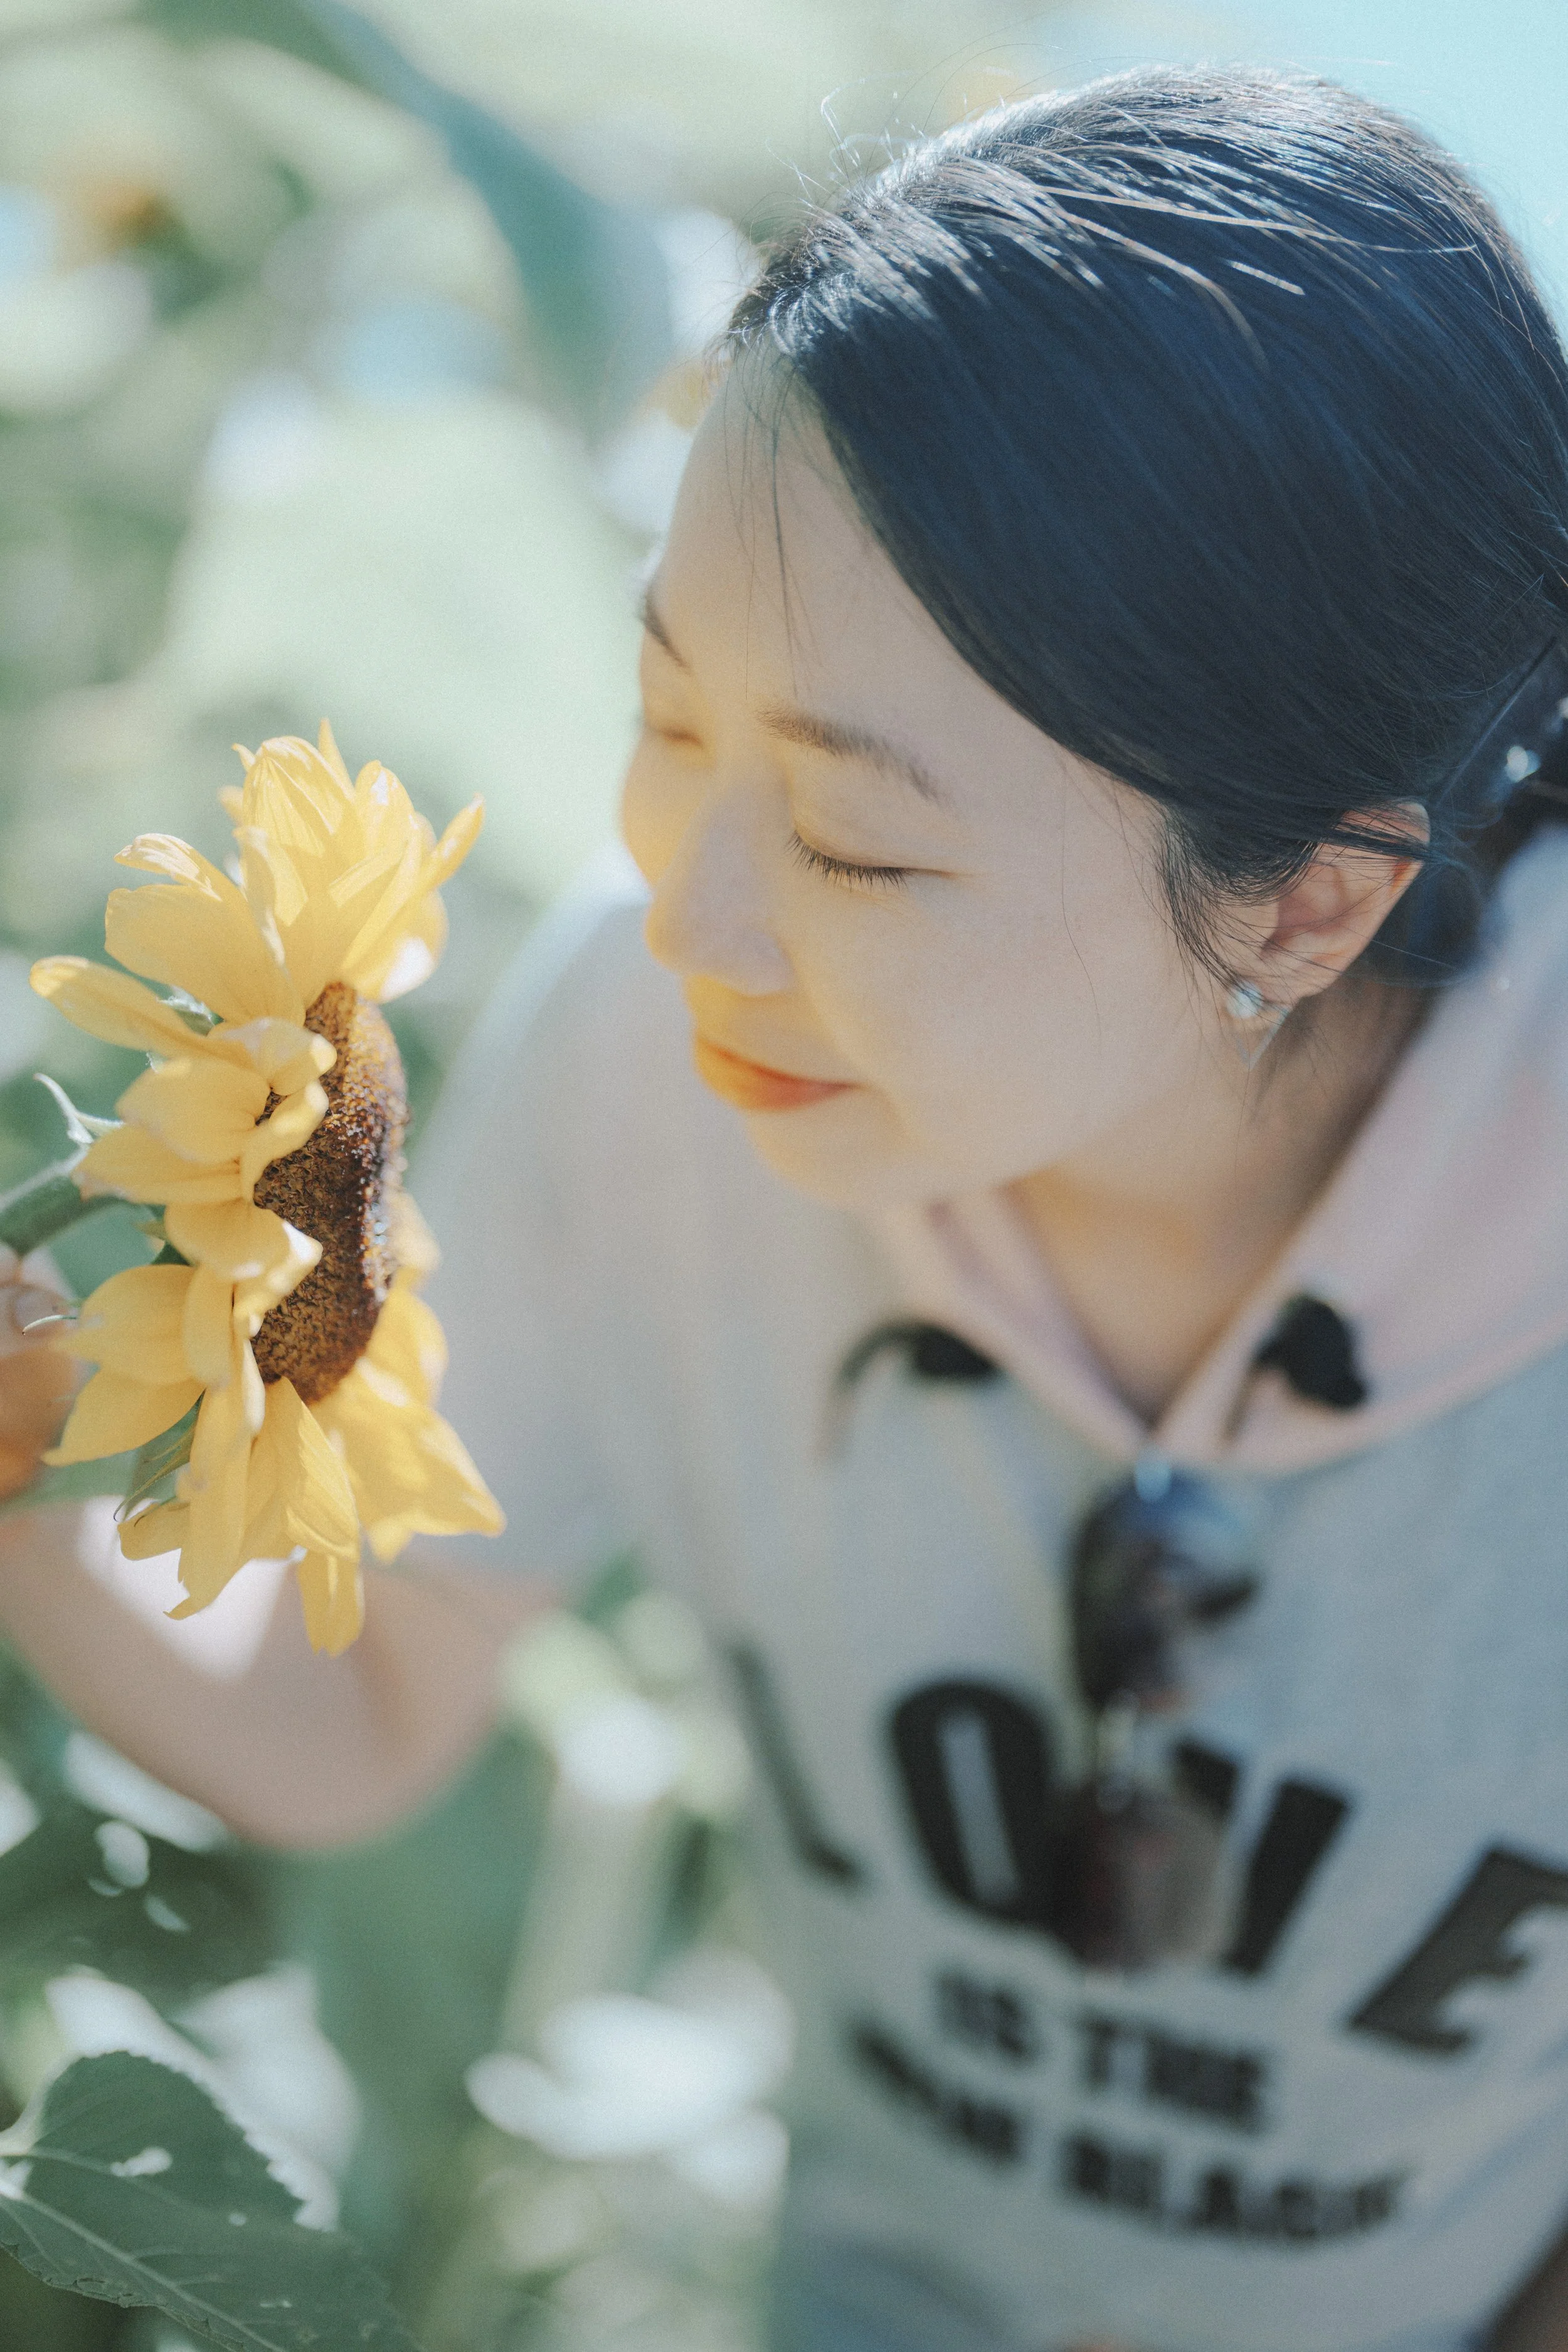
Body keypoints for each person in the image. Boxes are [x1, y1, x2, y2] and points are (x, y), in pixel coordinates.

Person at [6, 60, 1568, 2352]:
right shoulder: (667, 1087)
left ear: (1306, 905)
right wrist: (19, 1475)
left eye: (857, 842)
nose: (692, 913)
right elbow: (362, 1697)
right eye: (670, 721)